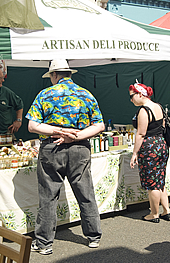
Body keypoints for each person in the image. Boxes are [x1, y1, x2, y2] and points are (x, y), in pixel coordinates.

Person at [26, 59, 105, 255]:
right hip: (80, 149)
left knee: (48, 196)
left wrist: (59, 132)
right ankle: (93, 236)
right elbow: (100, 125)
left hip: (52, 149)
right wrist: (74, 135)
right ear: (70, 74)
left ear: (53, 75)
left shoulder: (45, 94)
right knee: (85, 192)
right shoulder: (86, 94)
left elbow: (32, 126)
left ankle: (44, 243)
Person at [129, 81, 170, 223]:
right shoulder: (158, 106)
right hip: (161, 144)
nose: (131, 99)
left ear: (140, 94)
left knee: (152, 183)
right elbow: (163, 126)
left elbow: (140, 134)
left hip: (149, 147)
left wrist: (135, 153)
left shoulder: (143, 110)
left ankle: (154, 214)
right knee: (160, 180)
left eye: (132, 96)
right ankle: (166, 210)